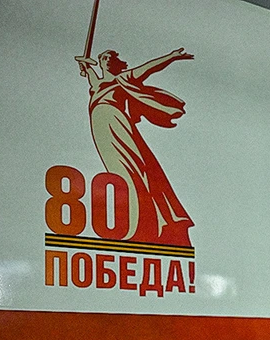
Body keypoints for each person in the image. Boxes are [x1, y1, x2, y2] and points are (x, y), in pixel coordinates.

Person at [74, 48, 195, 247]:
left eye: (110, 57)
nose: (105, 60)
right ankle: (134, 219)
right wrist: (85, 65)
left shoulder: (124, 78)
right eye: (103, 58)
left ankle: (148, 219)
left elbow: (149, 68)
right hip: (101, 127)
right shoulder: (97, 85)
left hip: (117, 122)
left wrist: (171, 56)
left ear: (116, 63)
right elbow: (89, 72)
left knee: (135, 168)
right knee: (117, 170)